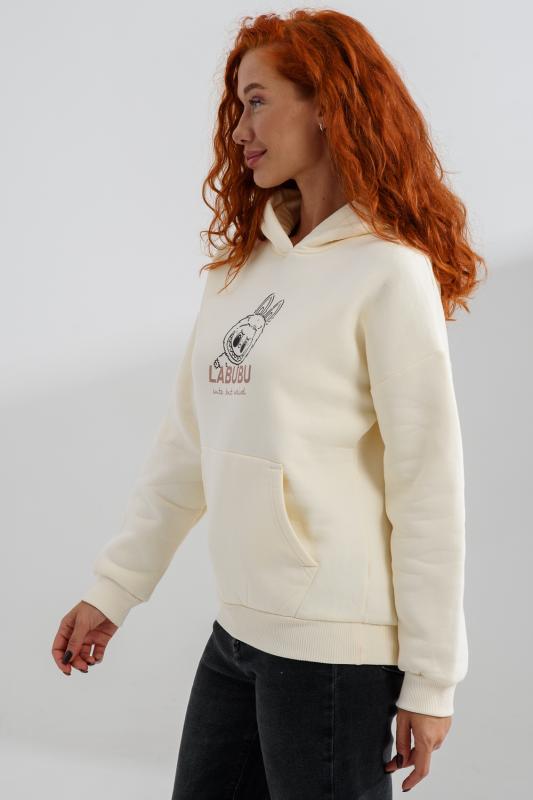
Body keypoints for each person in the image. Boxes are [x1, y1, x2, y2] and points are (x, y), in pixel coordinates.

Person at [51, 9, 486, 798]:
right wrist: (112, 590)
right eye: (235, 105)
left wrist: (431, 680)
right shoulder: (239, 271)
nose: (238, 128)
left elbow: (427, 484)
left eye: (256, 101)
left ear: (326, 106)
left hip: (334, 651)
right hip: (238, 634)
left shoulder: (387, 273)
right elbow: (186, 451)